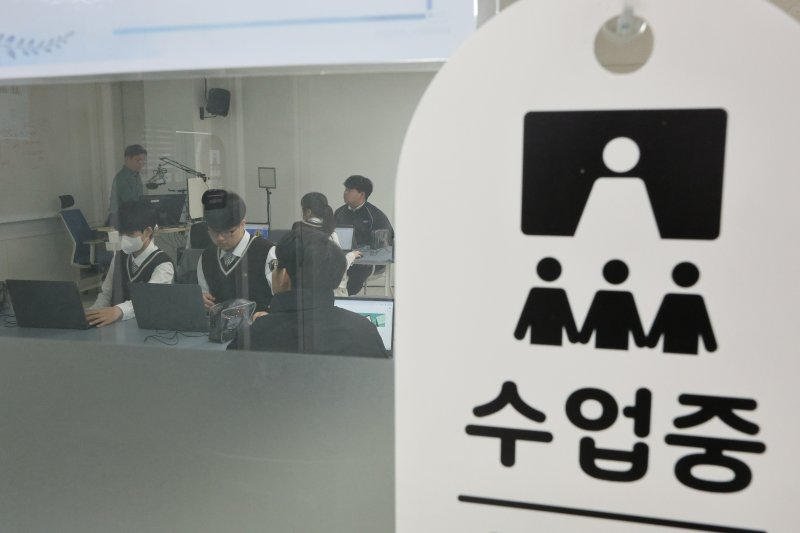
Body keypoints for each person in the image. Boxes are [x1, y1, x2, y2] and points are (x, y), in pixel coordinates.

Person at [229, 230, 387, 357]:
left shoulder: (255, 336)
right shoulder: (365, 331)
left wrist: (265, 324)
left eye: (274, 266)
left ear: (284, 277)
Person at [86, 199, 174, 327]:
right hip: (117, 327)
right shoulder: (119, 257)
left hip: (147, 327)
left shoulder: (163, 264)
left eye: (130, 234)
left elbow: (149, 299)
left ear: (148, 232)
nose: (124, 238)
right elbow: (106, 293)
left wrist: (118, 310)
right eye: (121, 233)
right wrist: (93, 313)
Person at [267, 192, 361, 296]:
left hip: (297, 293)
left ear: (307, 212)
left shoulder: (294, 235)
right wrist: (351, 256)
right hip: (329, 294)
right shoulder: (331, 235)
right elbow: (339, 266)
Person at [197, 190, 274, 313]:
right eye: (214, 232)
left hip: (259, 323)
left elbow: (282, 298)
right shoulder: (206, 257)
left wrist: (269, 315)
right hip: (220, 323)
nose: (220, 238)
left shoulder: (267, 252)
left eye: (228, 232)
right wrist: (202, 299)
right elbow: (204, 294)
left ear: (242, 223)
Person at [334, 175, 394, 295]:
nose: (345, 193)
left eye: (349, 190)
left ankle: (345, 296)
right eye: (345, 189)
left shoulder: (375, 215)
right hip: (345, 257)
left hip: (367, 262)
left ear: (361, 194)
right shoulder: (339, 212)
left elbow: (388, 242)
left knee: (356, 272)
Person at [109, 144, 147, 227]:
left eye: (143, 160)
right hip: (121, 220)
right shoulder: (121, 177)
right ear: (127, 159)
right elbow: (130, 202)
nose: (141, 163)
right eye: (138, 160)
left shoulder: (137, 176)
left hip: (133, 217)